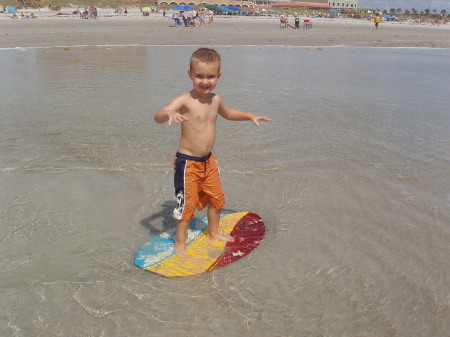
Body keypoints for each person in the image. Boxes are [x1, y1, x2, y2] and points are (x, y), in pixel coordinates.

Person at [154, 48, 272, 257]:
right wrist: (169, 113)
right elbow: (158, 115)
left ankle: (214, 233)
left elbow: (229, 113)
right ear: (190, 74)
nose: (205, 81)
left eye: (210, 76)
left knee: (216, 199)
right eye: (199, 76)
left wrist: (250, 116)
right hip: (187, 164)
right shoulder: (184, 100)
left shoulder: (215, 100)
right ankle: (180, 243)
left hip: (208, 161)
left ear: (219, 76)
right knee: (186, 206)